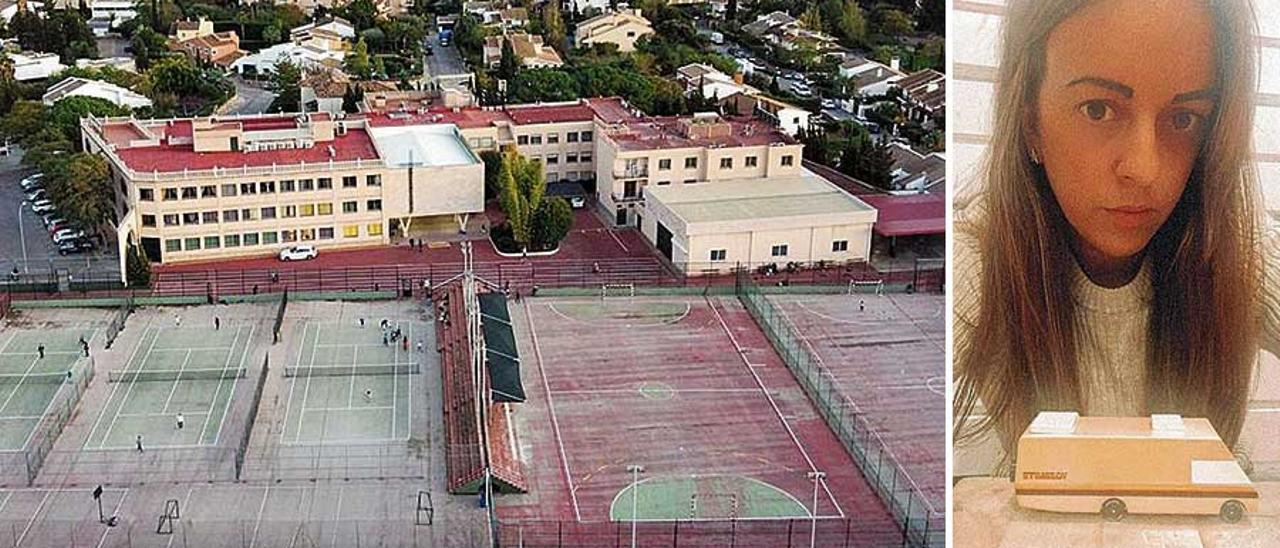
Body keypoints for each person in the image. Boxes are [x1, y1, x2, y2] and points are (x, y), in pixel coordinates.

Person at [952, 0, 1268, 477]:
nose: (1144, 169)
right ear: (1030, 121)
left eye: (1184, 118)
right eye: (1098, 110)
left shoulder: (1235, 251)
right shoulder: (980, 256)